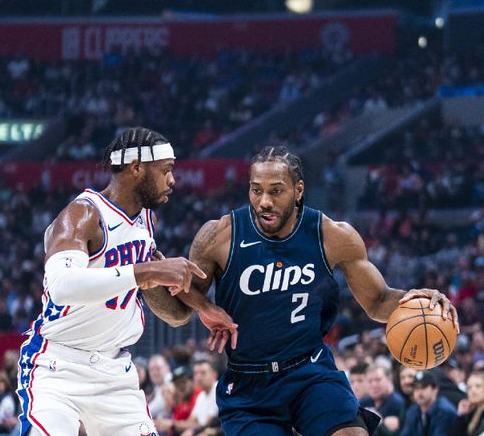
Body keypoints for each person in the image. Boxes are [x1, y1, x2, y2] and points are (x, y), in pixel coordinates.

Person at [175, 146, 459, 435]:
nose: (264, 202)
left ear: (298, 190)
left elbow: (378, 301)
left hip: (309, 371)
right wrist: (204, 306)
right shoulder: (219, 235)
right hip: (249, 384)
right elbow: (184, 293)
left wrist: (418, 300)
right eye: (256, 190)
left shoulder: (333, 235)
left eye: (276, 191)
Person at [16, 128, 237, 436]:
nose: (173, 180)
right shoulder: (82, 214)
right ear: (136, 167)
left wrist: (203, 307)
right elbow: (62, 287)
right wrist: (146, 271)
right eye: (166, 171)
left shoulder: (147, 221)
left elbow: (165, 303)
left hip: (114, 374)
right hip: (58, 366)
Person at [399, 370, 458, 436]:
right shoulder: (413, 410)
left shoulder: (445, 411)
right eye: (416, 388)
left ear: (435, 389)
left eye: (423, 387)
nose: (419, 392)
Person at [450, 372, 484, 436]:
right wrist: (461, 414)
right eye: (469, 387)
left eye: (478, 386)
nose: (473, 390)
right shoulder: (472, 411)